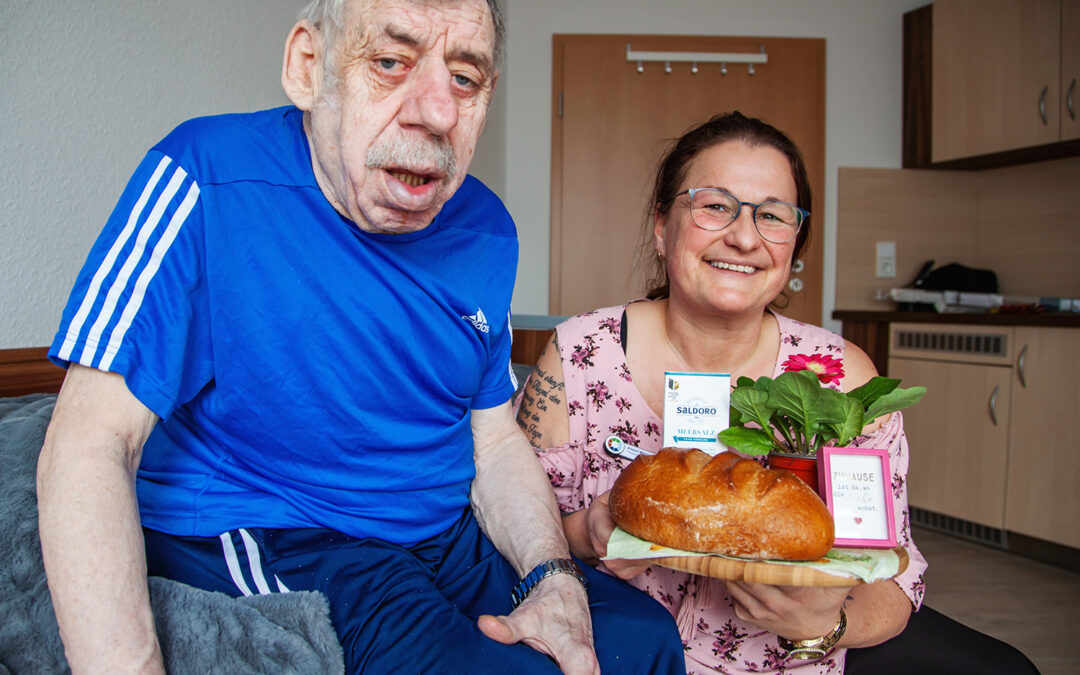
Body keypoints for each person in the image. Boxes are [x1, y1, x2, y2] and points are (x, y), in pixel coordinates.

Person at [35, 1, 685, 673]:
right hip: (289, 529)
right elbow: (89, 439)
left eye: (465, 78)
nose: (436, 112)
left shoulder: (489, 230)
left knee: (643, 635)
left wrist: (553, 575)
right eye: (389, 62)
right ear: (308, 67)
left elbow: (491, 440)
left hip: (443, 534)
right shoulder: (204, 173)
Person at [515, 112, 1037, 674]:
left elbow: (895, 575)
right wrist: (586, 534)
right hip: (621, 647)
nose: (744, 236)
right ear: (662, 224)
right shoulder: (580, 353)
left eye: (772, 215)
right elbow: (509, 531)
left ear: (794, 245)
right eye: (715, 205)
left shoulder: (839, 377)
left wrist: (828, 625)